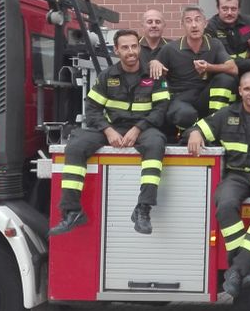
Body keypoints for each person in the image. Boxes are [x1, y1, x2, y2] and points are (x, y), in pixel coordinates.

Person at [50, 29, 169, 237]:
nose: (130, 51)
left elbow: (161, 109)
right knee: (76, 144)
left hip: (144, 128)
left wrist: (138, 128)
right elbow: (92, 108)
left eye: (134, 46)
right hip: (112, 128)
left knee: (156, 144)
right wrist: (107, 130)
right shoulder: (107, 76)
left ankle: (143, 209)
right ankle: (72, 211)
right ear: (116, 50)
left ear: (139, 48)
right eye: (125, 47)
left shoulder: (153, 75)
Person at [187, 71, 250, 296]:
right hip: (236, 175)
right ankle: (244, 266)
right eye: (247, 89)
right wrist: (195, 133)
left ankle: (236, 270)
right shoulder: (226, 114)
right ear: (240, 91)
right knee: (224, 205)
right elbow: (199, 127)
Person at [150, 6, 238, 130]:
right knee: (186, 115)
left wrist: (209, 67)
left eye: (198, 20)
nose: (194, 25)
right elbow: (153, 68)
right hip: (180, 99)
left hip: (203, 96)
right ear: (182, 25)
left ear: (205, 23)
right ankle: (186, 135)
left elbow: (233, 68)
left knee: (226, 78)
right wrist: (154, 62)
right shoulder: (170, 49)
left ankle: (215, 124)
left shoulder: (215, 44)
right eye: (189, 21)